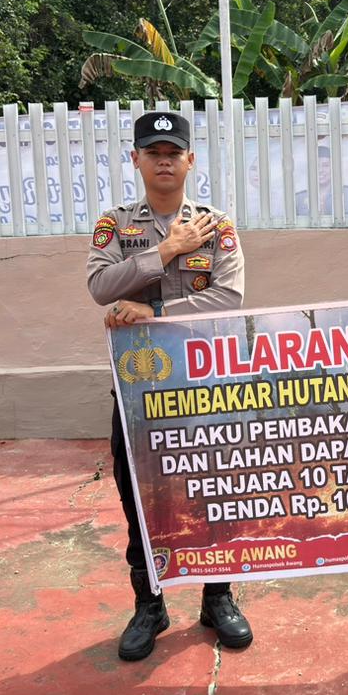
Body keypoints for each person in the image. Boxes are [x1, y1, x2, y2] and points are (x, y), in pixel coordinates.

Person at [86, 111, 253, 662]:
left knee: (213, 491)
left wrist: (154, 310)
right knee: (139, 494)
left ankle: (217, 598)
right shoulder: (115, 224)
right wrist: (163, 251)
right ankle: (149, 604)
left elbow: (228, 299)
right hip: (138, 389)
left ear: (190, 160)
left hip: (205, 383)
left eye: (173, 152)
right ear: (136, 159)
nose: (164, 161)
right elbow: (100, 286)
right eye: (153, 152)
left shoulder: (215, 224)